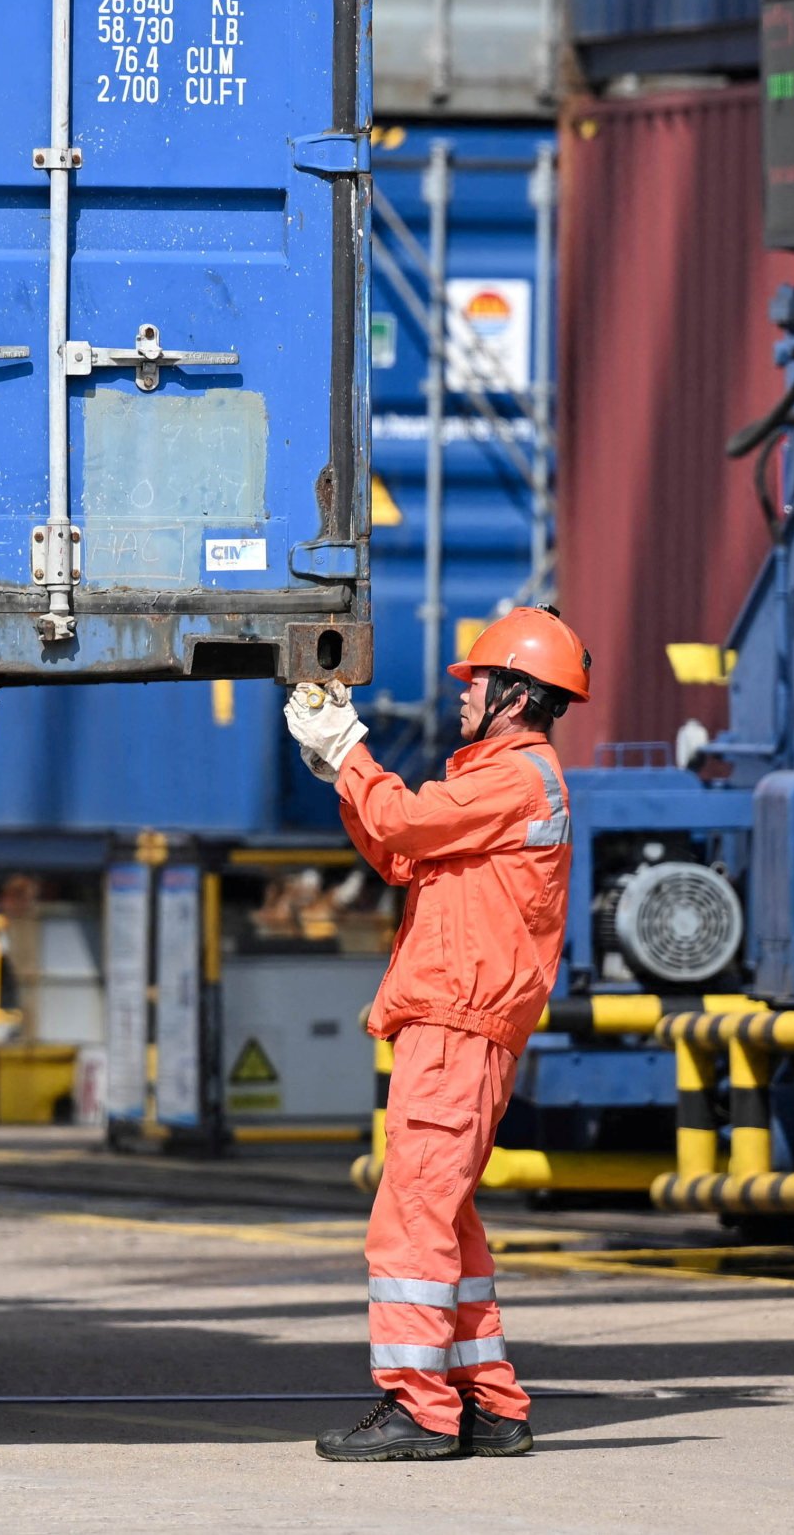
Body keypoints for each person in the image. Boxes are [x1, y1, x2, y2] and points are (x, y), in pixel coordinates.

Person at [283, 606, 587, 1462]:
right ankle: (490, 1403)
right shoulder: (509, 777)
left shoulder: (516, 777)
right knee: (448, 1226)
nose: (464, 694)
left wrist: (351, 752)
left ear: (519, 694)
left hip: (457, 1024)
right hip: (460, 1024)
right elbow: (401, 853)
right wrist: (340, 767)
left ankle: (419, 1408)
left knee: (411, 1225)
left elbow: (405, 824)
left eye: (478, 682)